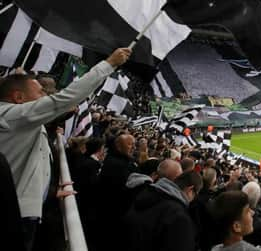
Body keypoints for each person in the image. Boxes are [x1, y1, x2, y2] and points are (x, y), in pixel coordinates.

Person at [0, 48, 131, 251]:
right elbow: (63, 100)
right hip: (14, 214)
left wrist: (51, 192)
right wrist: (109, 64)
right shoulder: (13, 117)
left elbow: (37, 162)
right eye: (41, 92)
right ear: (18, 97)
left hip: (23, 209)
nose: (47, 95)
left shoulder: (25, 123)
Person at [124, 170, 203, 251]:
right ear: (190, 189)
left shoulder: (146, 192)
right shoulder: (178, 216)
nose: (193, 199)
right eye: (195, 194)